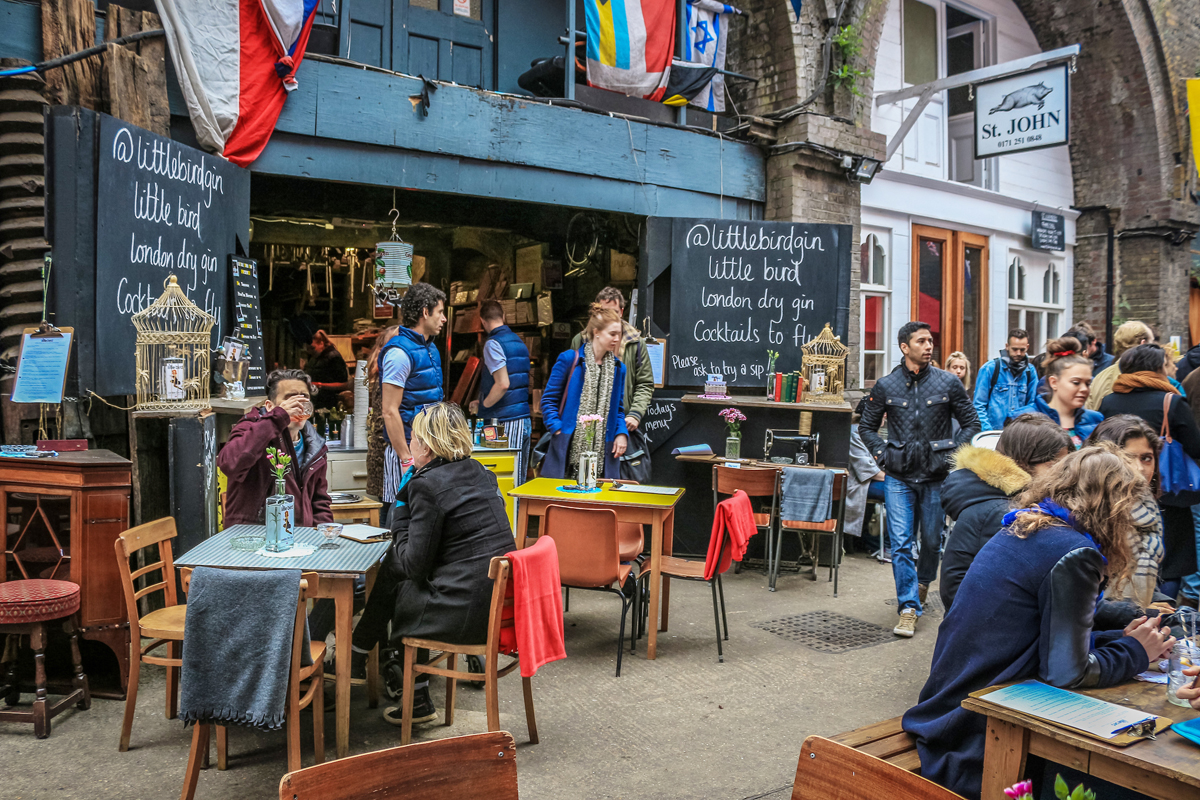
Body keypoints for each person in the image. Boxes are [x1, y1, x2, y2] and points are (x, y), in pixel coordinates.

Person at [902, 446, 1176, 800]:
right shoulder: (1074, 551)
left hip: (951, 705)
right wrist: (1135, 651)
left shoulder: (1029, 525)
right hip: (976, 731)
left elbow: (1042, 636)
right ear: (1113, 507)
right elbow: (1066, 673)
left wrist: (1123, 640)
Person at [354, 402, 517, 727]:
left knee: (401, 578)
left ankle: (363, 658)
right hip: (497, 607)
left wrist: (400, 506)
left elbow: (414, 565)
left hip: (463, 611)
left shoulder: (426, 485)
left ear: (425, 446)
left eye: (413, 437)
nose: (409, 443)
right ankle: (383, 671)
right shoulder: (481, 473)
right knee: (397, 572)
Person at [859, 321, 980, 638]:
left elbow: (971, 422)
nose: (929, 346)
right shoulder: (886, 386)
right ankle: (909, 607)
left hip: (936, 477)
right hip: (898, 476)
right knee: (900, 543)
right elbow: (866, 428)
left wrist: (952, 454)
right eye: (922, 341)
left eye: (930, 341)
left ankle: (924, 580)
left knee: (931, 540)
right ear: (904, 347)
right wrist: (882, 455)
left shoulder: (948, 383)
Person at [1099, 342, 1200, 601]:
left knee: (1129, 557)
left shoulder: (1109, 401)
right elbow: (1195, 446)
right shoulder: (1171, 402)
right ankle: (1163, 617)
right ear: (1156, 368)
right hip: (1169, 493)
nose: (1172, 368)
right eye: (1167, 364)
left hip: (1119, 493)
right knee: (1172, 560)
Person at [939, 413, 1071, 610]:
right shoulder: (1002, 511)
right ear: (1022, 462)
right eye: (1054, 467)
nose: (1063, 477)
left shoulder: (1019, 502)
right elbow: (956, 589)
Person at [218, 369, 332, 527]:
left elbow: (319, 502)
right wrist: (278, 417)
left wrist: (322, 537)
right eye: (290, 398)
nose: (298, 404)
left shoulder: (315, 445)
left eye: (304, 397)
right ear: (270, 406)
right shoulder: (251, 427)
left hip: (300, 539)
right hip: (252, 537)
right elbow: (229, 464)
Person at [1086, 415, 1175, 614]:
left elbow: (1142, 577)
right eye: (1127, 458)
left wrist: (1159, 603)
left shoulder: (1148, 506)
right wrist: (1138, 611)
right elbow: (1078, 602)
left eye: (1146, 458)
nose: (1139, 468)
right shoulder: (1086, 512)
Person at [541, 304, 630, 480]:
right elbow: (548, 400)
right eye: (612, 334)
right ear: (596, 332)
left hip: (604, 451)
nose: (617, 339)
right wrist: (557, 428)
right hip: (567, 447)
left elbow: (618, 409)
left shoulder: (619, 368)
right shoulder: (569, 360)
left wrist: (621, 433)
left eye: (619, 334)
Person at [379, 283, 447, 505]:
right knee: (399, 510)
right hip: (407, 450)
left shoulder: (431, 348)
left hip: (429, 447)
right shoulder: (399, 353)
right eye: (440, 312)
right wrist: (406, 458)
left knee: (425, 511)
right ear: (425, 312)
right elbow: (389, 411)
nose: (444, 319)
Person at [570, 287, 655, 437]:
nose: (609, 318)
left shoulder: (635, 342)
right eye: (604, 312)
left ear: (621, 312)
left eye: (614, 312)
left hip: (621, 422)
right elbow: (569, 383)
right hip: (587, 422)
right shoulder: (581, 340)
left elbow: (645, 383)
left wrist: (635, 413)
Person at [471, 299, 533, 487]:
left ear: (482, 321)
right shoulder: (519, 342)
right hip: (523, 419)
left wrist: (484, 405)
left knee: (504, 481)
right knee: (519, 479)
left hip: (505, 422)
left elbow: (503, 384)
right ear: (503, 316)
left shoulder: (493, 344)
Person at [1008, 336, 1102, 448]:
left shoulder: (1096, 420)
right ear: (1054, 382)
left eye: (1087, 383)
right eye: (1076, 382)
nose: (1084, 389)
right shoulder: (1023, 419)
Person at [971, 329, 1037, 431]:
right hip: (993, 433)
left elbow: (1032, 405)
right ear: (1007, 346)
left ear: (1027, 347)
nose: (1018, 353)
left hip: (1019, 434)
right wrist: (988, 433)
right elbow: (979, 405)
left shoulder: (1030, 371)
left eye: (1022, 350)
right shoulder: (990, 369)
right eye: (1014, 349)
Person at [365, 325, 400, 504]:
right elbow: (382, 420)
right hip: (384, 453)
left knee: (388, 505)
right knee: (390, 508)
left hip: (383, 451)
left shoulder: (384, 374)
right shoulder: (387, 376)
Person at [1085, 320, 1152, 411]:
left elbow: (1089, 411)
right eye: (1152, 343)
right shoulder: (1150, 378)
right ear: (1143, 343)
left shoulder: (1100, 377)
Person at [305, 330, 350, 410]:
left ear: (321, 343)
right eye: (308, 349)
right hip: (316, 399)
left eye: (312, 348)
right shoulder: (314, 357)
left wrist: (320, 385)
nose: (310, 351)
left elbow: (344, 384)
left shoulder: (334, 357)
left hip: (330, 402)